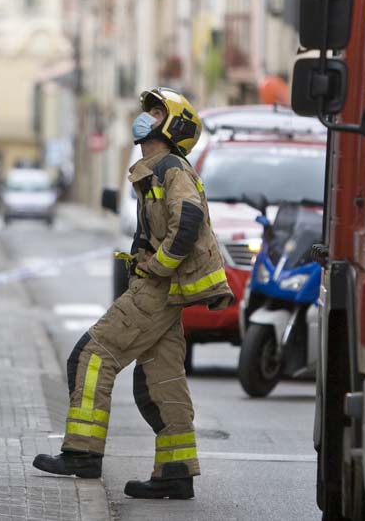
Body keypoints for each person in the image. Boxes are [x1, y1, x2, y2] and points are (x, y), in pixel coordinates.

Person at [32, 87, 233, 500]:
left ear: (173, 125)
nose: (145, 119)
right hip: (160, 289)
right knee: (162, 383)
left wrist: (158, 265)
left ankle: (82, 453)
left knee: (91, 357)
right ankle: (175, 473)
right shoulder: (155, 168)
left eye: (156, 113)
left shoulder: (171, 168)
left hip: (156, 289)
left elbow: (189, 216)